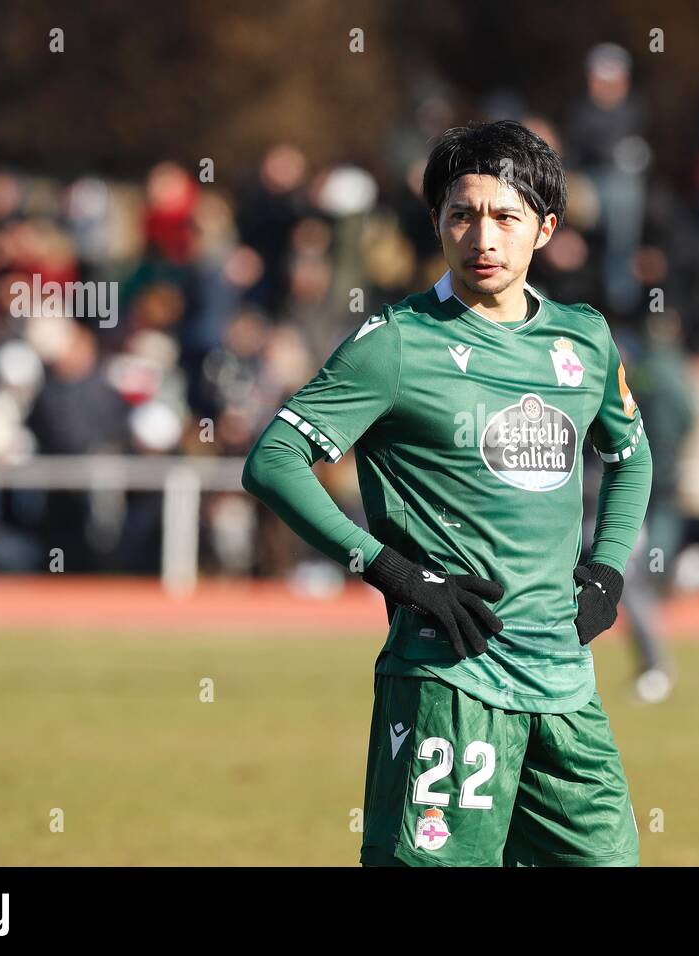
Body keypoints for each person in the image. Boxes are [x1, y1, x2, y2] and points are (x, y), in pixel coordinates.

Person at [242, 120, 652, 866]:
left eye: (505, 216)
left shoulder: (583, 339)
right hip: (448, 682)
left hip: (565, 686)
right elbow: (273, 459)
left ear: (545, 228)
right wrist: (389, 570)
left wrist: (610, 565)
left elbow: (631, 455)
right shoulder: (397, 342)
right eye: (462, 215)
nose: (482, 237)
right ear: (437, 222)